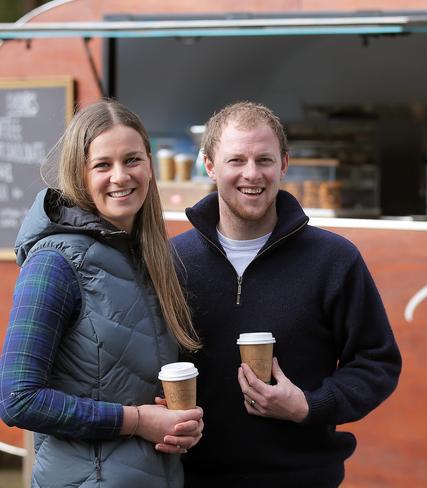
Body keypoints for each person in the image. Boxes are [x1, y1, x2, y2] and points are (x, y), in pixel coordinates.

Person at [172, 101, 402, 487]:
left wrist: (309, 406)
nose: (251, 174)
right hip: (192, 479)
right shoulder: (172, 261)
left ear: (284, 164)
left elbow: (377, 361)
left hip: (304, 478)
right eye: (235, 161)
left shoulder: (334, 260)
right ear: (210, 166)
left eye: (264, 159)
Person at [0, 100, 204, 487]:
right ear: (80, 174)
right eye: (102, 165)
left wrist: (178, 425)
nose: (120, 176)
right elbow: (18, 399)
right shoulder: (54, 263)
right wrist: (139, 421)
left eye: (132, 160)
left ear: (149, 164)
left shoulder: (152, 259)